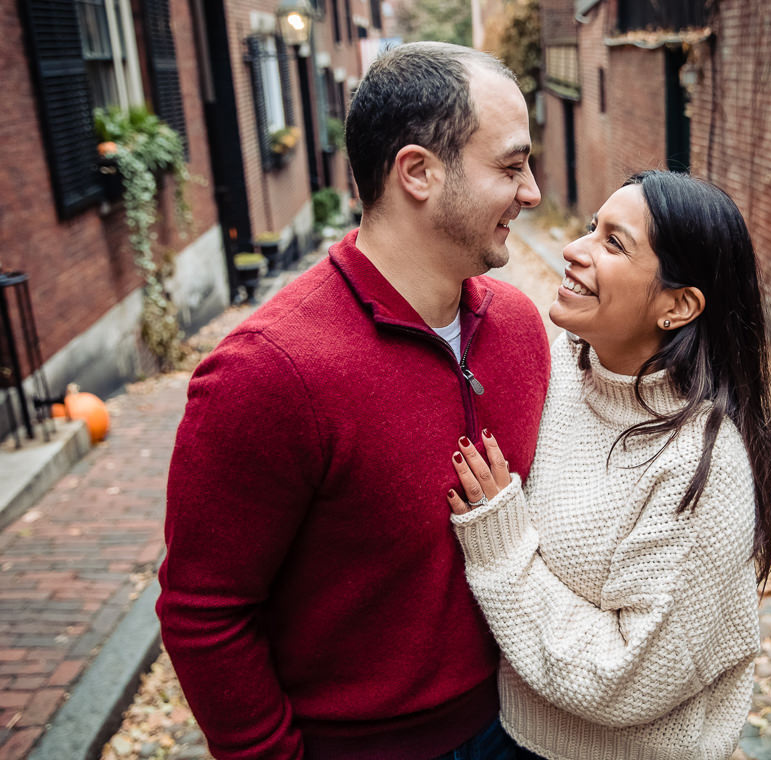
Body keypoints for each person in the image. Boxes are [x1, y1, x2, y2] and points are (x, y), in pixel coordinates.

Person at [157, 43, 549, 760]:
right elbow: (204, 612)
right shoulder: (267, 373)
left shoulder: (523, 330)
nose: (533, 193)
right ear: (418, 173)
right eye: (512, 165)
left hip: (521, 728)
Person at [444, 170, 771, 760]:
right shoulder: (567, 368)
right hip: (512, 736)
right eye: (591, 228)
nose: (574, 250)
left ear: (678, 306)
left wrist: (501, 549)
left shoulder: (701, 466)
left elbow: (622, 676)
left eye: (613, 243)